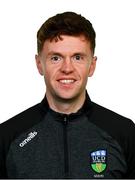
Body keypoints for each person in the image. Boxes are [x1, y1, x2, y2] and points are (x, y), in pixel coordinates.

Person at [0, 11, 135, 179]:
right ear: (39, 64)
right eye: (56, 58)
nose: (67, 68)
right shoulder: (7, 136)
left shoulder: (124, 133)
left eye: (77, 57)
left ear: (92, 65)